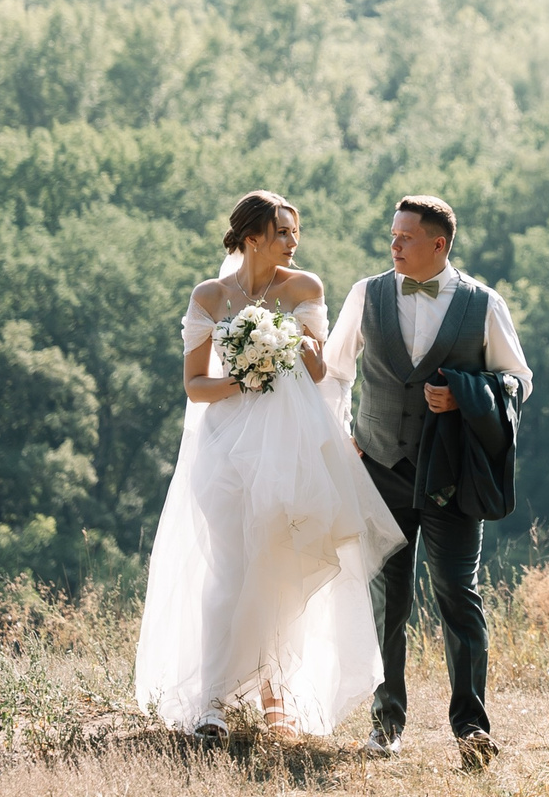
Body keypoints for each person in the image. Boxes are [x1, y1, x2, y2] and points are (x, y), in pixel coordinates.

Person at [134, 191, 405, 742]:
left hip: (291, 450)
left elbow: (319, 371)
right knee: (229, 571)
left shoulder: (305, 288)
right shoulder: (209, 296)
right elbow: (195, 385)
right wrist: (244, 378)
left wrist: (296, 346)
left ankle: (276, 696)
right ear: (252, 237)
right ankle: (212, 702)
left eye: (295, 232)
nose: (292, 241)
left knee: (282, 569)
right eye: (282, 232)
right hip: (225, 451)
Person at [324, 194, 532, 771]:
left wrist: (465, 396)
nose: (393, 245)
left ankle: (472, 729)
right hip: (379, 470)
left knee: (458, 597)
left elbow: (518, 380)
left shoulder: (484, 304)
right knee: (387, 601)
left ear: (438, 244)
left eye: (405, 237)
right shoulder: (366, 294)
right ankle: (385, 725)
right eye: (392, 236)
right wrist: (345, 438)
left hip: (450, 477)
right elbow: (334, 371)